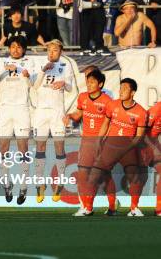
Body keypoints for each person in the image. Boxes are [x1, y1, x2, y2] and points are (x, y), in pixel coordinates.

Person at [92, 78, 147, 217]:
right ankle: (112, 206)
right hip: (110, 145)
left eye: (125, 89)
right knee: (101, 173)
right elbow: (105, 123)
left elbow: (139, 136)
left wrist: (128, 147)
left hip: (128, 147)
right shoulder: (112, 105)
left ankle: (134, 208)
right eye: (120, 88)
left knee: (133, 176)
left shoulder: (141, 112)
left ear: (133, 92)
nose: (121, 91)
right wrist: (99, 140)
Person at [64, 69, 116, 217]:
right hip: (87, 141)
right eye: (88, 81)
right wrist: (70, 116)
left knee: (105, 176)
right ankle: (87, 207)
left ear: (100, 84)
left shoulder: (107, 101)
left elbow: (111, 122)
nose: (89, 84)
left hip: (103, 143)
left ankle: (112, 205)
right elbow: (79, 114)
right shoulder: (83, 97)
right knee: (82, 174)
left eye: (92, 82)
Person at [0, 36, 34, 204]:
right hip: (4, 110)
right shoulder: (0, 63)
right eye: (13, 46)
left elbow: (33, 84)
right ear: (9, 48)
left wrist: (25, 74)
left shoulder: (30, 63)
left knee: (23, 148)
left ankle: (23, 187)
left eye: (19, 47)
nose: (15, 49)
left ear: (23, 49)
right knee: (3, 148)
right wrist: (3, 67)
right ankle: (6, 183)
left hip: (22, 109)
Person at [32, 40, 74, 203]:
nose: (51, 53)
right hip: (41, 112)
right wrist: (43, 71)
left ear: (60, 51)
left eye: (55, 50)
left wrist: (64, 82)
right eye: (49, 50)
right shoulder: (40, 64)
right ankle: (39, 183)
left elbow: (71, 89)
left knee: (59, 146)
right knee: (40, 146)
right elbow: (34, 86)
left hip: (57, 112)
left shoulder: (66, 65)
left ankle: (60, 181)